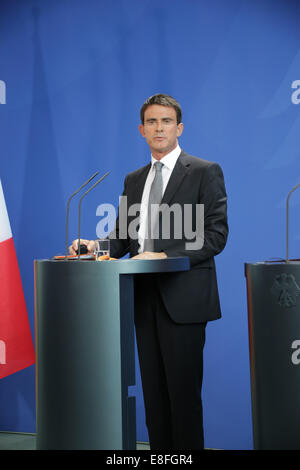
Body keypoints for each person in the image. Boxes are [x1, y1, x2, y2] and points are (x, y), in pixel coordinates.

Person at [70, 94, 228, 449]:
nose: (159, 128)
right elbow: (126, 238)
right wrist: (96, 247)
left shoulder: (204, 171)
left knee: (183, 401)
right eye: (152, 122)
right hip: (142, 300)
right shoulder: (134, 179)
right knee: (154, 401)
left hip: (184, 301)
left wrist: (163, 254)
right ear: (142, 130)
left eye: (166, 121)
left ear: (179, 128)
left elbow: (216, 235)